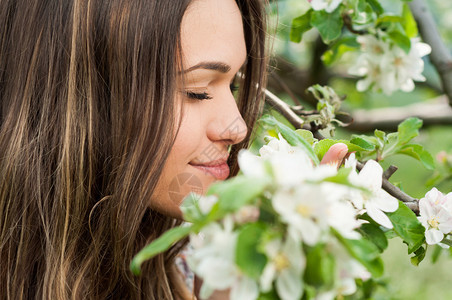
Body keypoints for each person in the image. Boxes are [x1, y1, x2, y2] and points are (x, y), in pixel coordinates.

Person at [0, 0, 347, 299]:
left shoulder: (194, 257)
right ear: (80, 102)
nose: (238, 128)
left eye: (235, 84)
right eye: (197, 90)